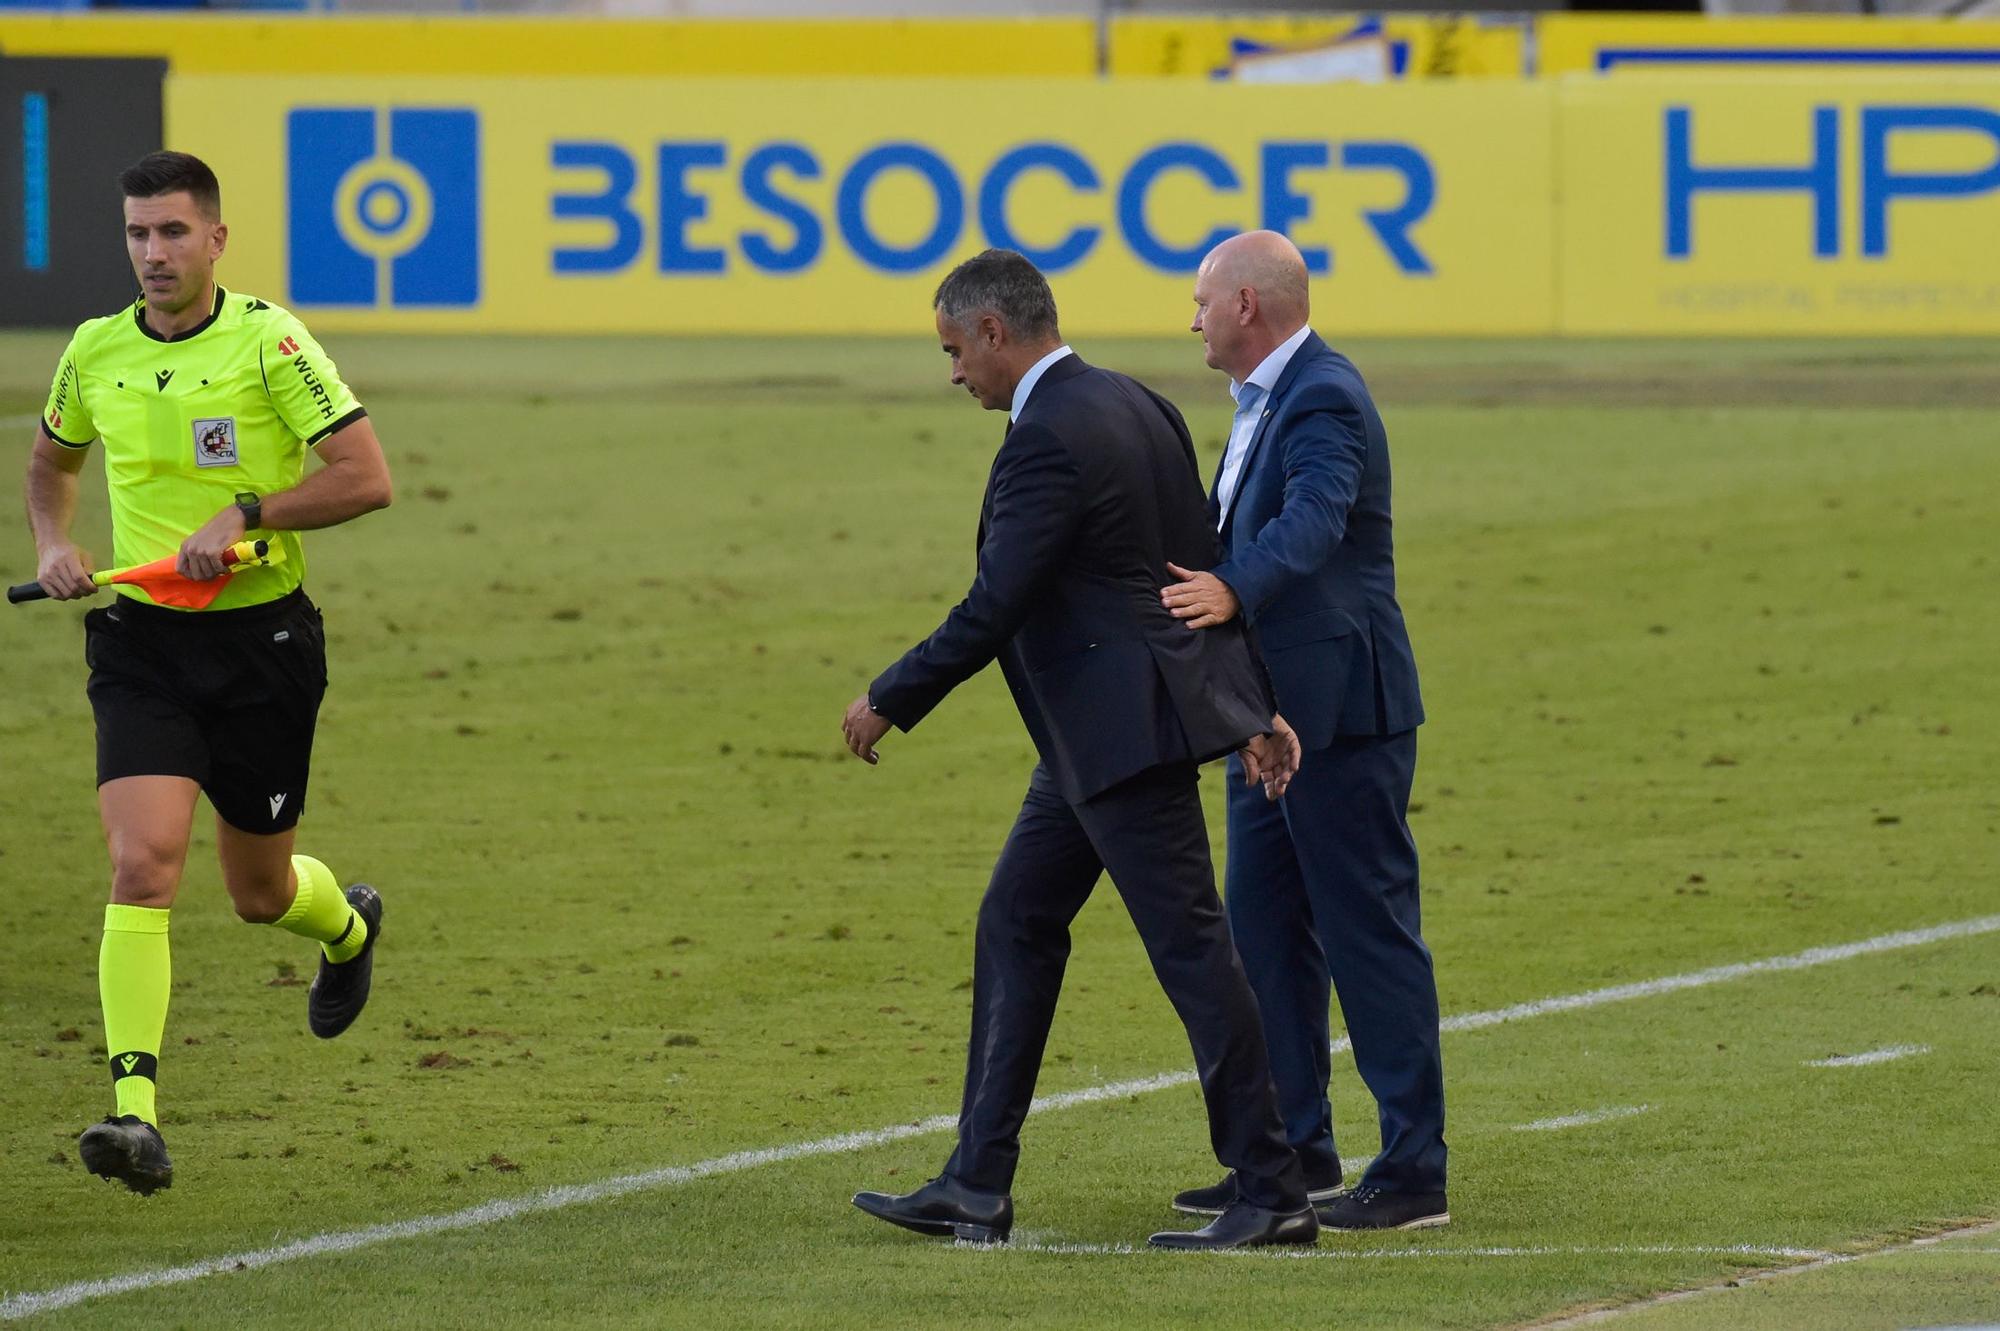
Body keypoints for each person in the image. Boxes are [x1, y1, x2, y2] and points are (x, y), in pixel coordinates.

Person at [839, 249, 1316, 1251]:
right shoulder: (1137, 403)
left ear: (992, 333)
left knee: (1192, 953)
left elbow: (997, 600)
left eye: (953, 352)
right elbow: (1198, 576)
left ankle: (1271, 1187)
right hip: (1096, 741)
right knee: (1015, 919)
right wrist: (1249, 709)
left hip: (1118, 739)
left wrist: (890, 694)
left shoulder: (1047, 435)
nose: (953, 373)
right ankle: (975, 1180)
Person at [25, 151, 394, 1195]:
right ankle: (132, 1109)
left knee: (258, 890)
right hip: (140, 641)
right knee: (144, 863)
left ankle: (348, 921)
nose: (153, 252)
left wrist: (247, 511)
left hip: (261, 645)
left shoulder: (270, 340)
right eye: (139, 233)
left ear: (216, 239)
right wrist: (55, 543)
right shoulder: (94, 350)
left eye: (174, 232)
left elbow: (366, 477)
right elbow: (52, 463)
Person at [1160, 230, 1448, 1230]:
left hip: (1338, 714)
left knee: (1365, 932)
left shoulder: (1322, 394)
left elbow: (1316, 519)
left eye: (1200, 299)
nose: (1188, 317)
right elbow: (1232, 527)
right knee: (1265, 936)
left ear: (1246, 305)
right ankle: (1295, 1152)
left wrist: (1228, 587)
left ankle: (1412, 1168)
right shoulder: (1260, 404)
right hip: (1266, 717)